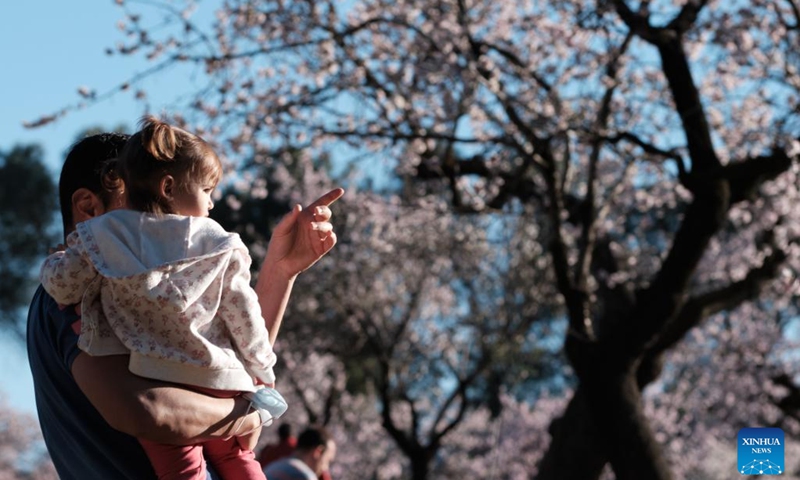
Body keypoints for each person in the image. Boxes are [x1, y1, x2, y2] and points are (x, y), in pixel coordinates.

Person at [27, 132, 343, 479]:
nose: (170, 221)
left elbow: (232, 379)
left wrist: (280, 273)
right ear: (89, 208)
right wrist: (250, 410)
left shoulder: (133, 289)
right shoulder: (74, 295)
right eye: (139, 205)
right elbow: (151, 411)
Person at [263, 426, 337, 480]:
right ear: (318, 452)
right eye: (327, 461)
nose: (325, 468)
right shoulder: (304, 475)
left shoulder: (273, 466)